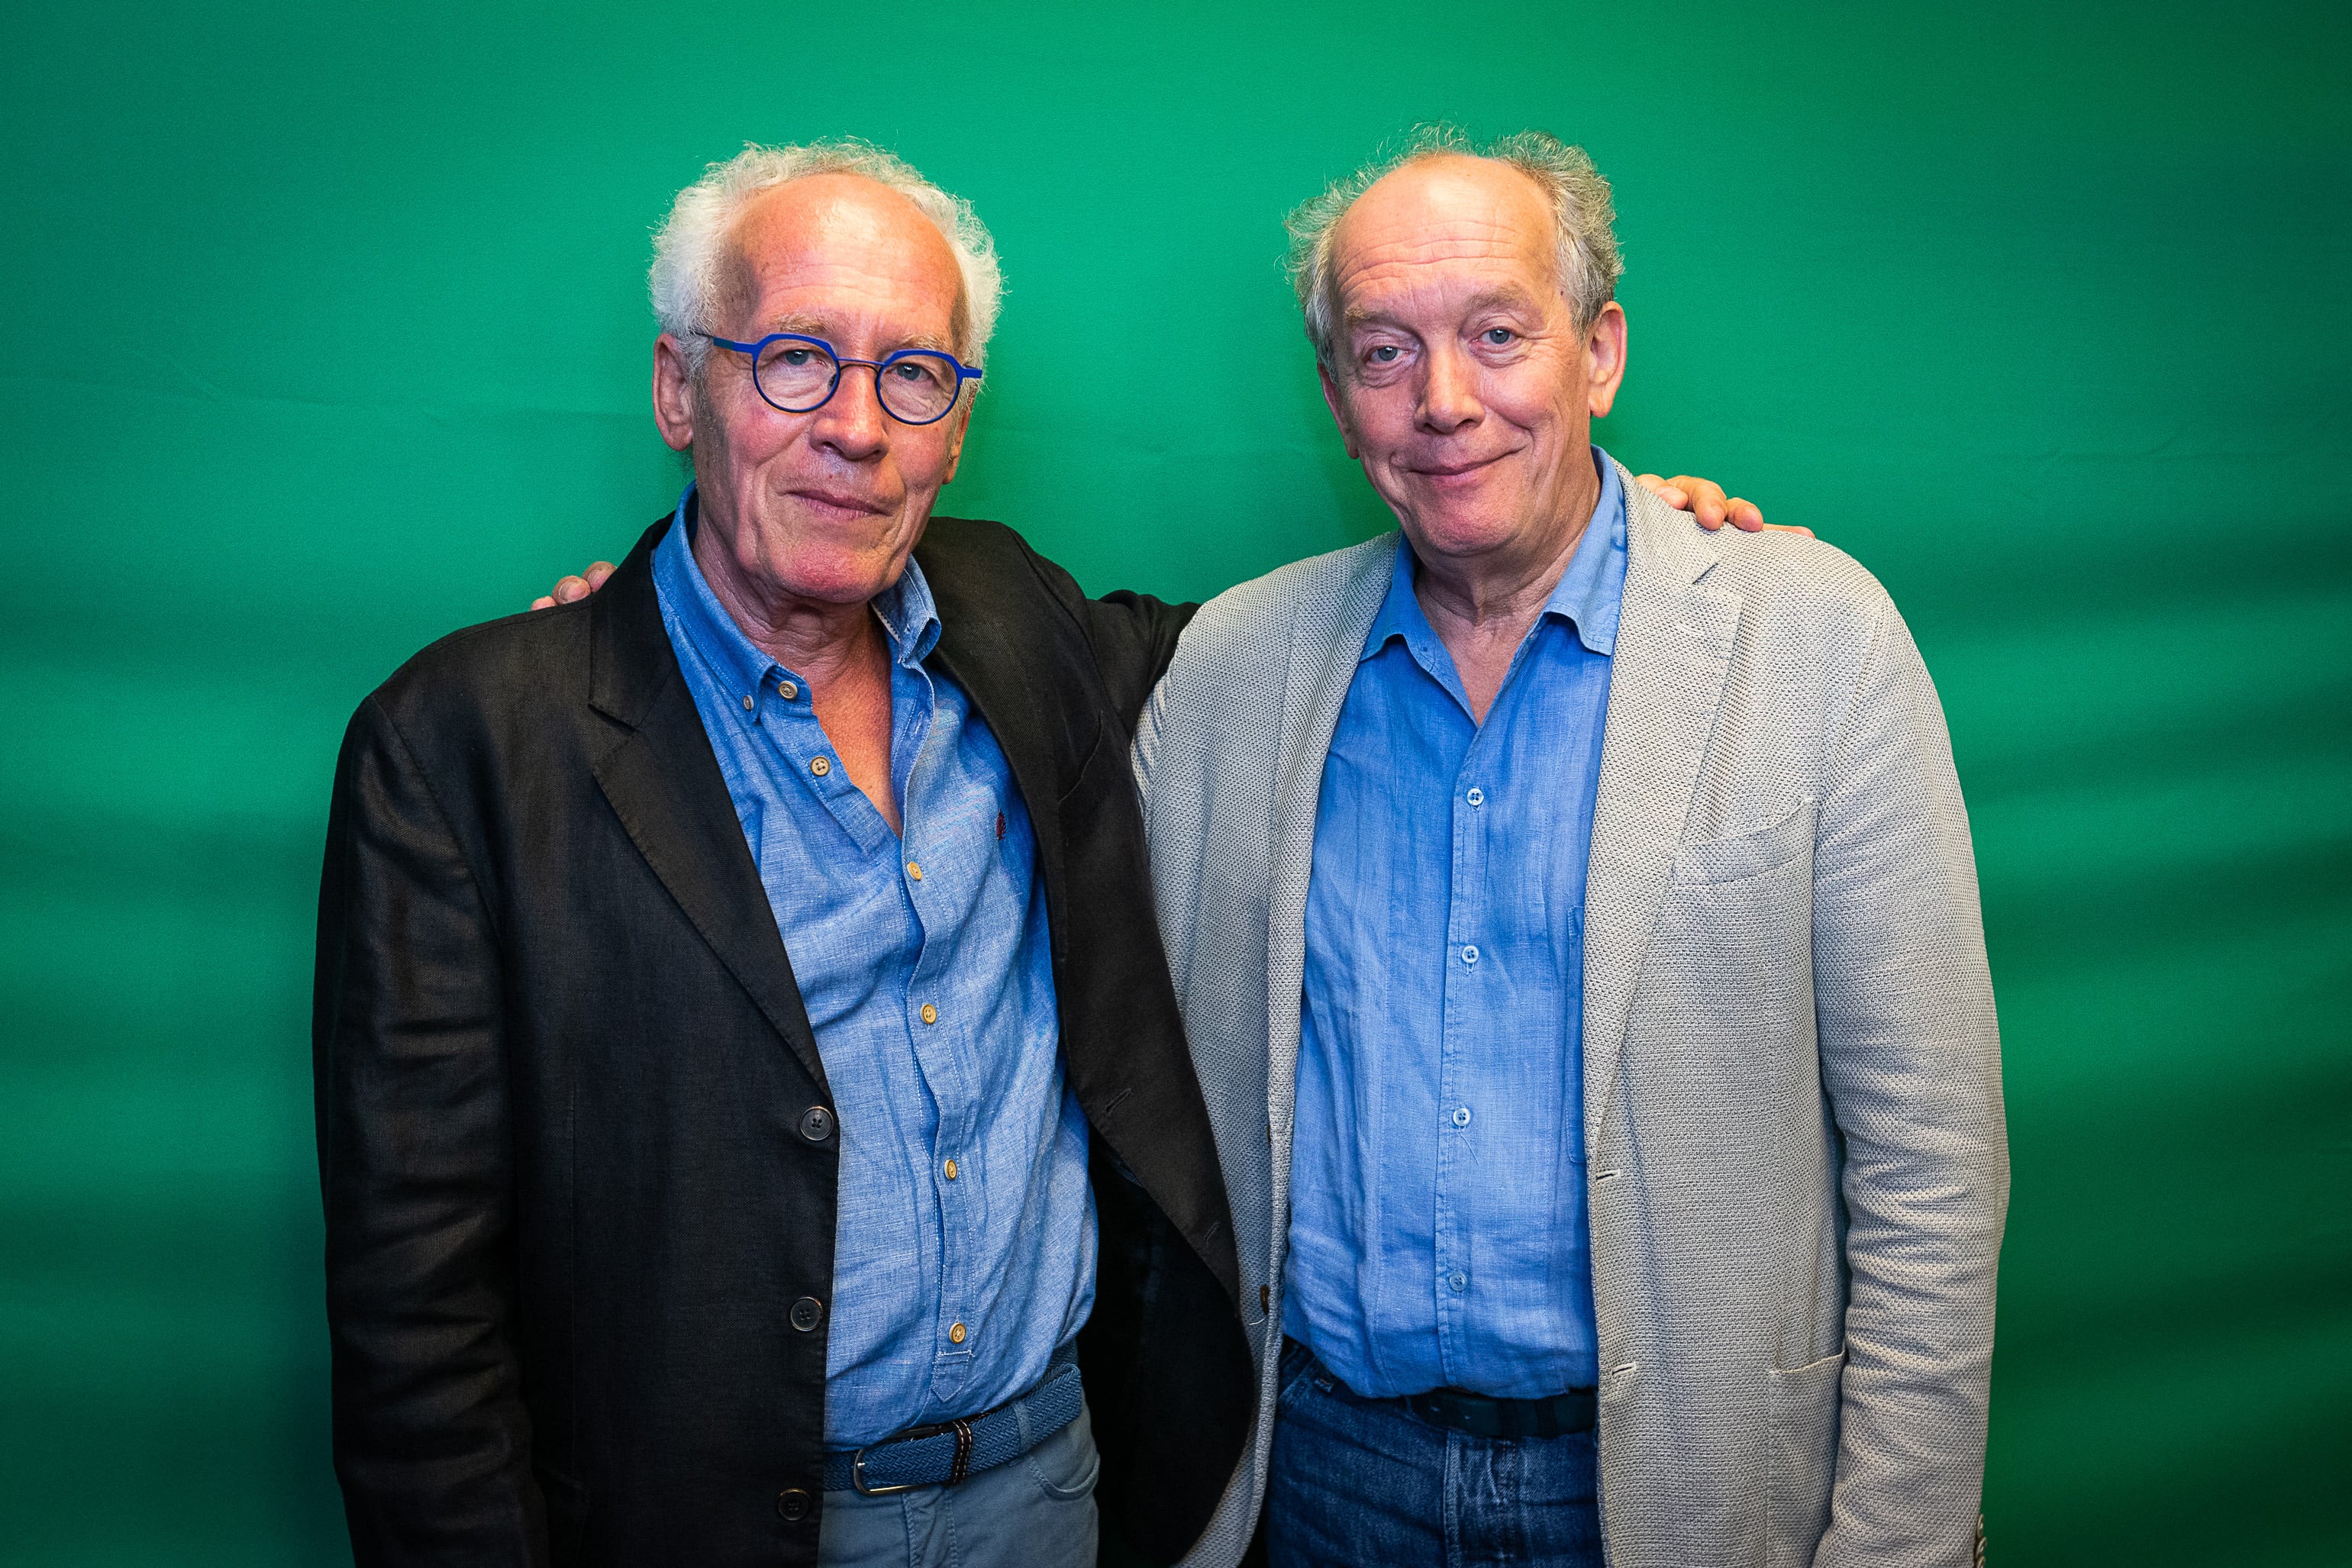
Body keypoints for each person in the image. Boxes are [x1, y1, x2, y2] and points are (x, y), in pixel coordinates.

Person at [318, 138, 1757, 1568]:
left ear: (955, 424)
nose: (857, 426)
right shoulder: (466, 747)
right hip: (691, 1525)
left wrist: (1596, 527)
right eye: (796, 358)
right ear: (678, 388)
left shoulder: (1021, 624)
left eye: (913, 375)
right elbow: (416, 1316)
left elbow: (1310, 649)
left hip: (1050, 1496)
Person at [1134, 128, 2008, 1568]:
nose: (1446, 401)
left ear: (1598, 354)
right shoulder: (1231, 670)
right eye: (1383, 352)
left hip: (1690, 1489)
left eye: (1497, 334)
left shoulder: (1813, 639)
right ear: (1336, 397)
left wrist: (1898, 1543)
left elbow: (1931, 1163)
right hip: (1321, 1477)